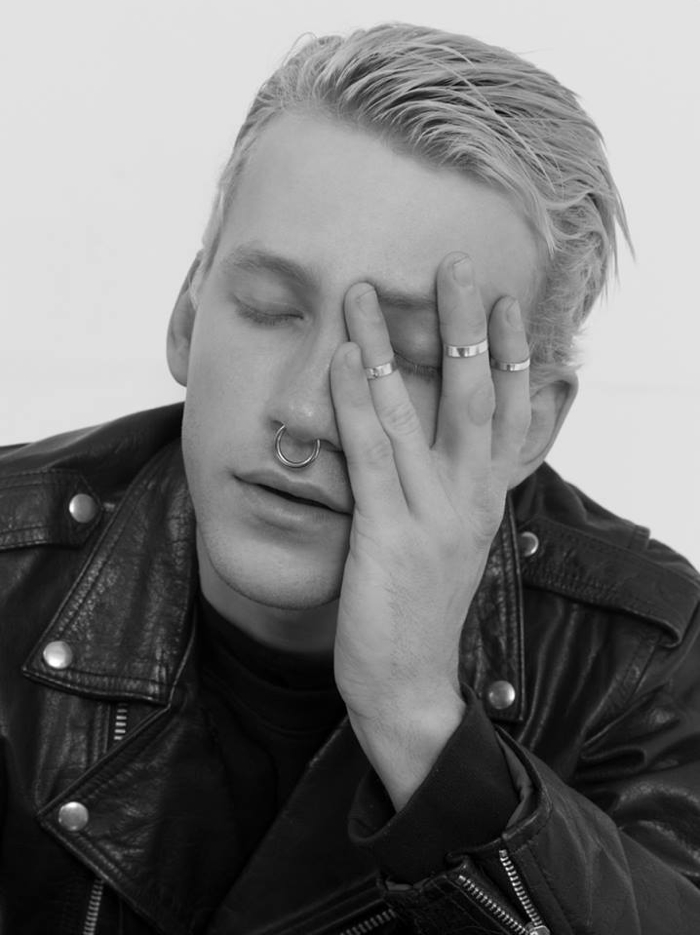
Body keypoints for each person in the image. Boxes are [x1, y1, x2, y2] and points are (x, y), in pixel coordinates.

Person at [1, 22, 699, 935]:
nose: (304, 414)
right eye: (268, 310)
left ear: (527, 422)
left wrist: (420, 721)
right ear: (186, 317)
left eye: (406, 358)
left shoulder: (640, 665)